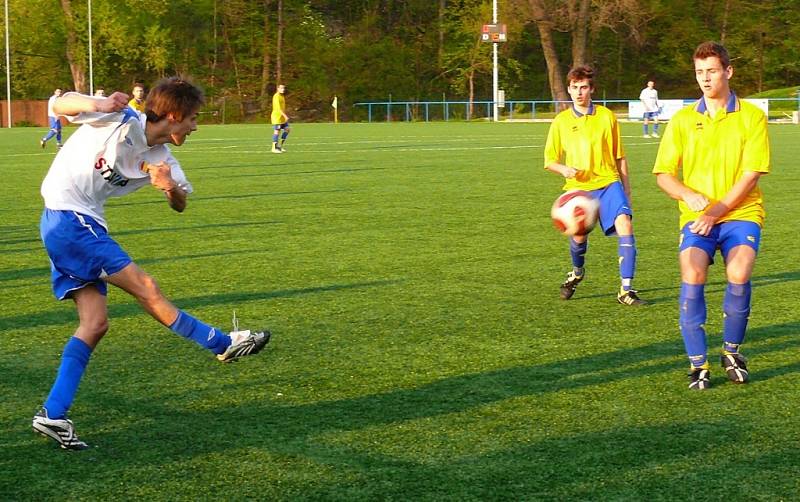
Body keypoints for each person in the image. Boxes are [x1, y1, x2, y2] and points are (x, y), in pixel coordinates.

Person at [31, 77, 270, 450]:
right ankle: (222, 343)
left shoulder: (164, 159)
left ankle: (53, 414)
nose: (195, 126)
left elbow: (181, 204)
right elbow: (57, 106)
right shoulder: (118, 118)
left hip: (76, 223)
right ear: (173, 116)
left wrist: (168, 187)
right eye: (192, 118)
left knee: (94, 325)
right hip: (68, 218)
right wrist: (102, 101)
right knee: (147, 288)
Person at [653, 41, 769, 390]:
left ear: (728, 71)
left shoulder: (751, 116)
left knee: (740, 269)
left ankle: (732, 352)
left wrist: (717, 210)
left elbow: (751, 175)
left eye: (712, 71)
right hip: (696, 215)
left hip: (741, 212)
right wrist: (688, 195)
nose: (705, 78)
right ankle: (698, 364)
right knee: (693, 271)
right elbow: (663, 174)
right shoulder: (683, 120)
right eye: (700, 72)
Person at [544, 65, 646, 306]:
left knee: (625, 225)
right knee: (578, 239)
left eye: (584, 87)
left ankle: (626, 290)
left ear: (592, 89)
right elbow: (549, 160)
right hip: (578, 190)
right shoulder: (561, 122)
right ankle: (577, 272)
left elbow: (619, 156)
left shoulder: (606, 117)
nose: (580, 92)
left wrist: (627, 190)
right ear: (569, 90)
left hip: (609, 183)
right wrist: (564, 169)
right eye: (575, 88)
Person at [270, 84, 290, 153]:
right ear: (278, 89)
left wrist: (284, 116)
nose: (283, 89)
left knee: (287, 129)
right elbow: (278, 109)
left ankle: (279, 147)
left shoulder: (282, 96)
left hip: (282, 118)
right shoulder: (276, 96)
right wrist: (285, 116)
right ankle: (274, 148)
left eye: (284, 88)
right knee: (277, 131)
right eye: (281, 88)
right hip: (277, 117)